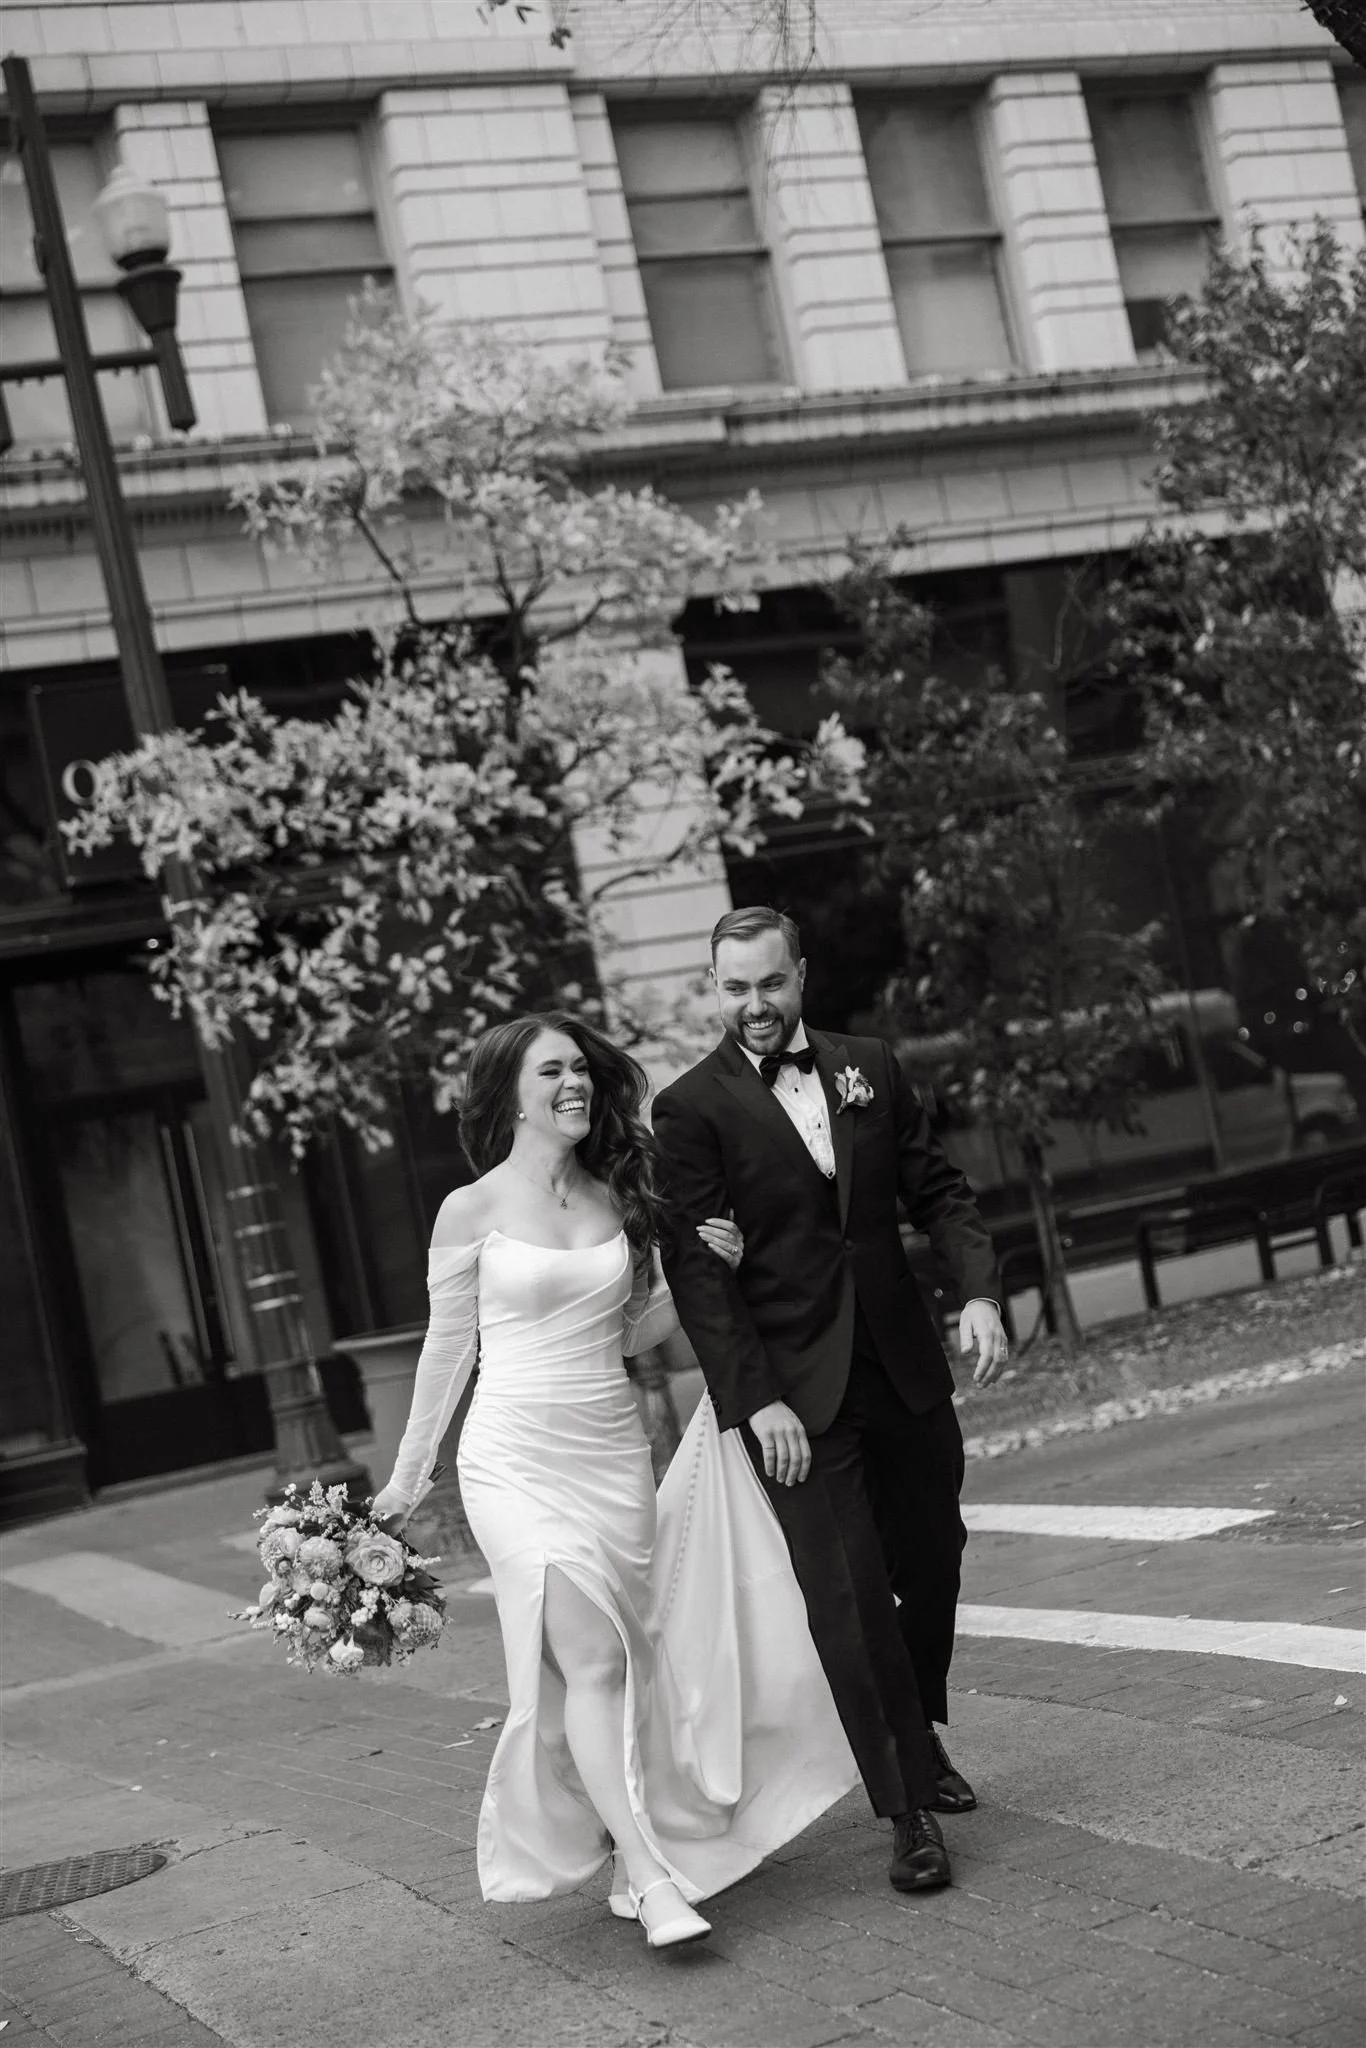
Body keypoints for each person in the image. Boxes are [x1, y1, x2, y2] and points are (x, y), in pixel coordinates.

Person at [371, 1011, 858, 1950]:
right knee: (591, 1659)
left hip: (609, 1457)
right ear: (508, 1089)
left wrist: (697, 1274)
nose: (575, 1084)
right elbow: (445, 1353)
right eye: (552, 1070)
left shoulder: (614, 1197)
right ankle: (647, 1874)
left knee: (622, 1661)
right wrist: (405, 1483)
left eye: (582, 1070)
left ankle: (624, 1837)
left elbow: (628, 1332)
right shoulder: (468, 1210)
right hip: (512, 1459)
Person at [652, 906, 1010, 1895]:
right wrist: (750, 1400)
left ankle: (917, 1726)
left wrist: (978, 1291)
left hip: (900, 1365)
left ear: (800, 975)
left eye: (769, 983)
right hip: (795, 1402)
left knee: (934, 1553)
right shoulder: (688, 1110)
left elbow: (937, 1187)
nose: (753, 1005)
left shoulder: (871, 1066)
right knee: (847, 1599)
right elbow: (698, 1274)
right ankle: (906, 1811)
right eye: (734, 987)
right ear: (713, 987)